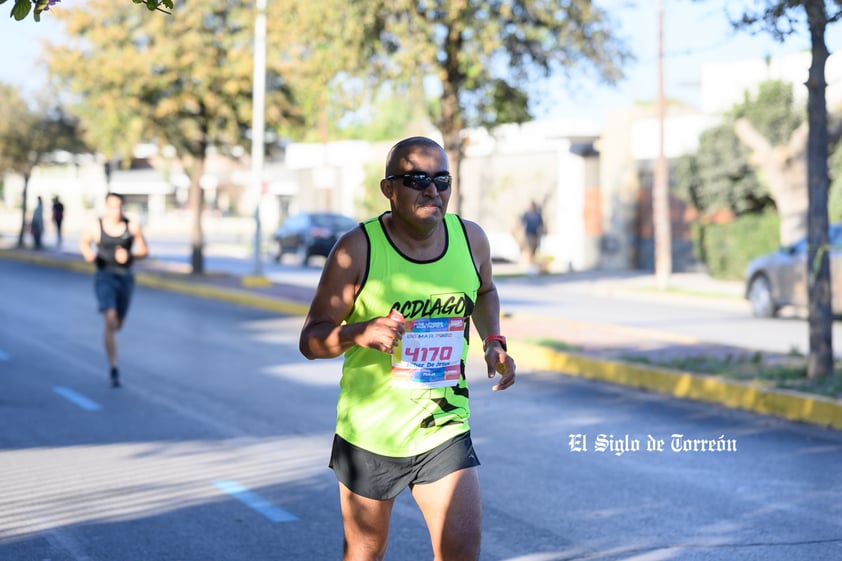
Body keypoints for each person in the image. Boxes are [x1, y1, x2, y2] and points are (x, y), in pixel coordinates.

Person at [299, 136, 516, 561]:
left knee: (461, 552)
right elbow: (311, 339)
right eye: (417, 178)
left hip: (444, 424)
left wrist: (493, 340)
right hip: (371, 434)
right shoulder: (357, 249)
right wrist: (357, 333)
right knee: (365, 552)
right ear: (389, 188)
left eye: (441, 179)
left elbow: (486, 291)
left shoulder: (471, 240)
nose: (432, 190)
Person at [79, 193, 148, 388]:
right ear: (106, 207)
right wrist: (89, 254)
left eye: (119, 207)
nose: (115, 211)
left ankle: (114, 330)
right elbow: (84, 242)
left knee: (118, 324)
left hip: (125, 277)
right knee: (109, 319)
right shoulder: (96, 226)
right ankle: (113, 367)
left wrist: (130, 254)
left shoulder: (132, 226)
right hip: (104, 276)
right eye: (112, 207)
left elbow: (144, 250)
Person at [521, 201, 544, 267]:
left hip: (536, 234)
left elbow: (541, 224)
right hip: (529, 234)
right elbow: (522, 222)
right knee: (529, 249)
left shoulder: (538, 214)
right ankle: (530, 264)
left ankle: (533, 263)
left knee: (535, 249)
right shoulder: (527, 214)